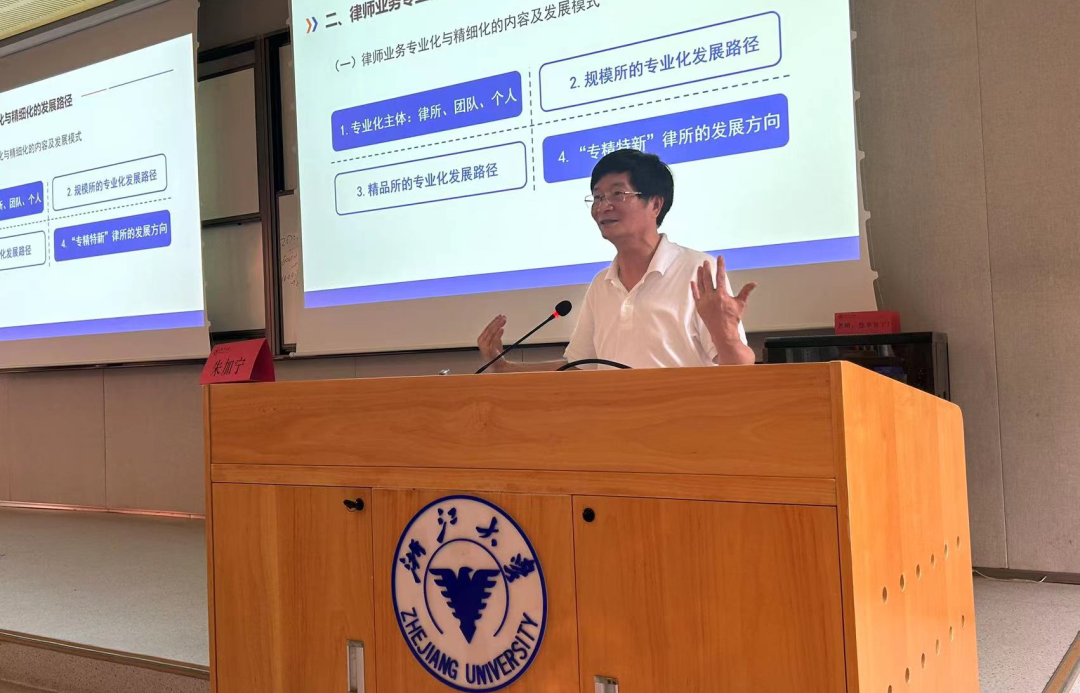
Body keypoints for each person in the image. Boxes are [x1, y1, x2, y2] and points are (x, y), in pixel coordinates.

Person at [476, 149, 757, 372]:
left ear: (655, 204)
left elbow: (740, 368)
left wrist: (726, 336)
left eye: (617, 194)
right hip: (612, 424)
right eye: (597, 197)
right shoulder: (602, 284)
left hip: (683, 423)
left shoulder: (698, 271)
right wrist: (504, 367)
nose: (603, 206)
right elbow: (578, 368)